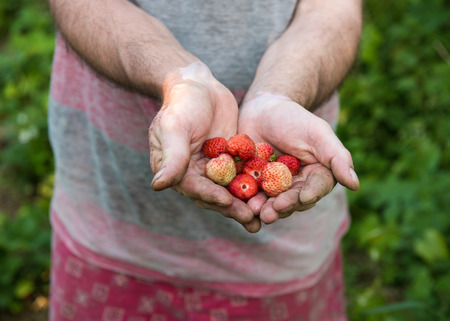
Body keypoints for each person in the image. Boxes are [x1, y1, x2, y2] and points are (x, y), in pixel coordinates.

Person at [47, 0, 362, 320]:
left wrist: (281, 93)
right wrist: (177, 79)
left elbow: (331, 9)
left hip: (278, 260)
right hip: (108, 224)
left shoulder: (255, 162)